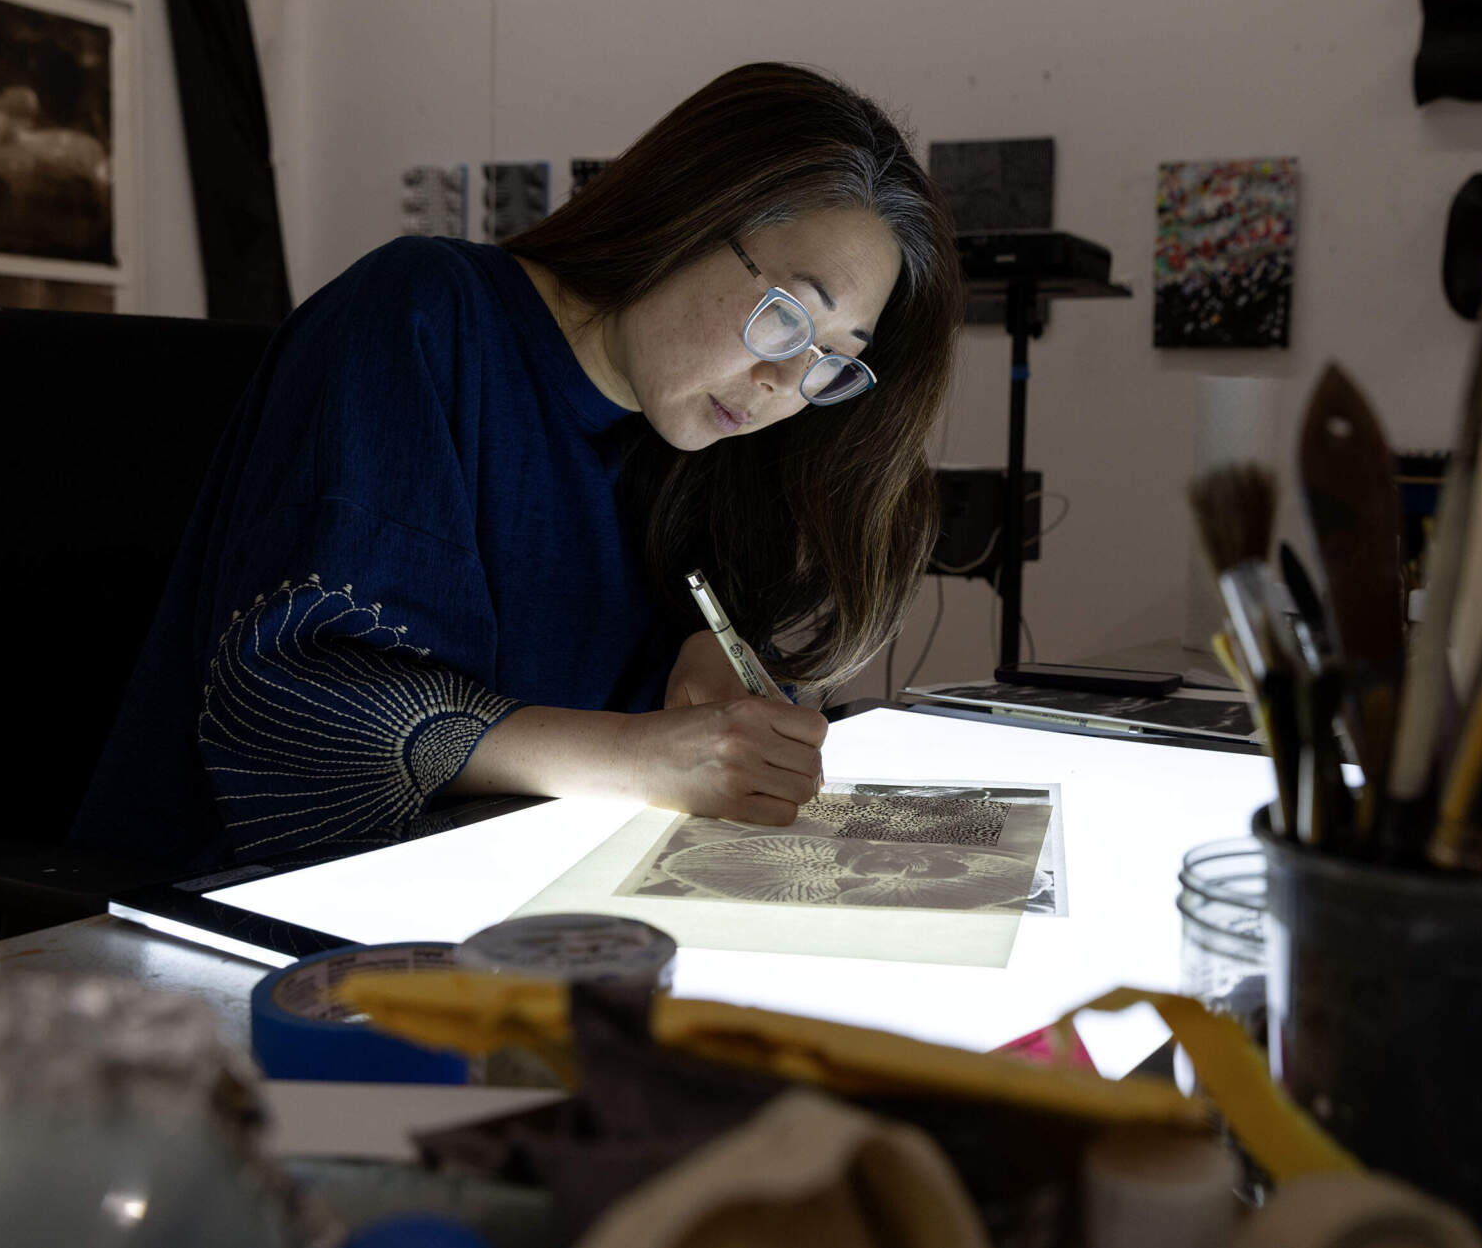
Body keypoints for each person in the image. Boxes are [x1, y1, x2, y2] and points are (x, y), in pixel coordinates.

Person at [70, 63, 963, 876]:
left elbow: (697, 661)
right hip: (242, 919)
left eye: (831, 361)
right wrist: (640, 757)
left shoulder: (688, 433)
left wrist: (703, 656)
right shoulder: (421, 314)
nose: (785, 384)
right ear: (688, 209)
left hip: (519, 895)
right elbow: (298, 711)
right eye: (785, 317)